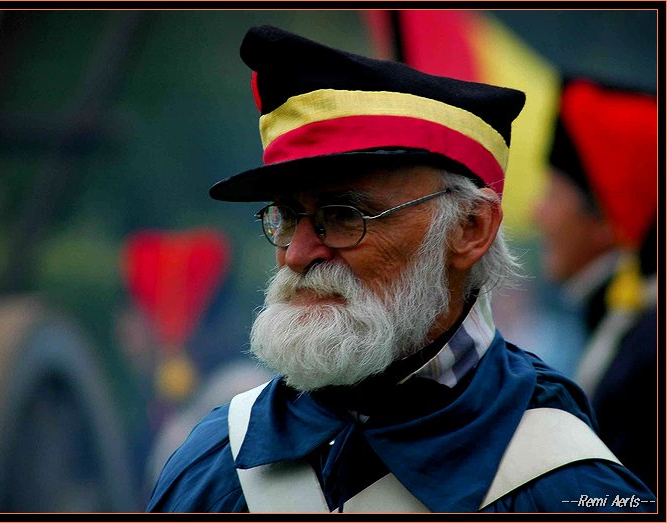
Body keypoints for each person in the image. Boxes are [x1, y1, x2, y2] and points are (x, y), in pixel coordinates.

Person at [147, 26, 655, 513]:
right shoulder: (212, 465)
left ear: (471, 228)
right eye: (287, 216)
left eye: (343, 216)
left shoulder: (571, 486)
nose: (297, 254)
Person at [535, 78, 657, 492]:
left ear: (605, 219)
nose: (537, 214)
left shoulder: (647, 348)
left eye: (552, 194)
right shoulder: (625, 323)